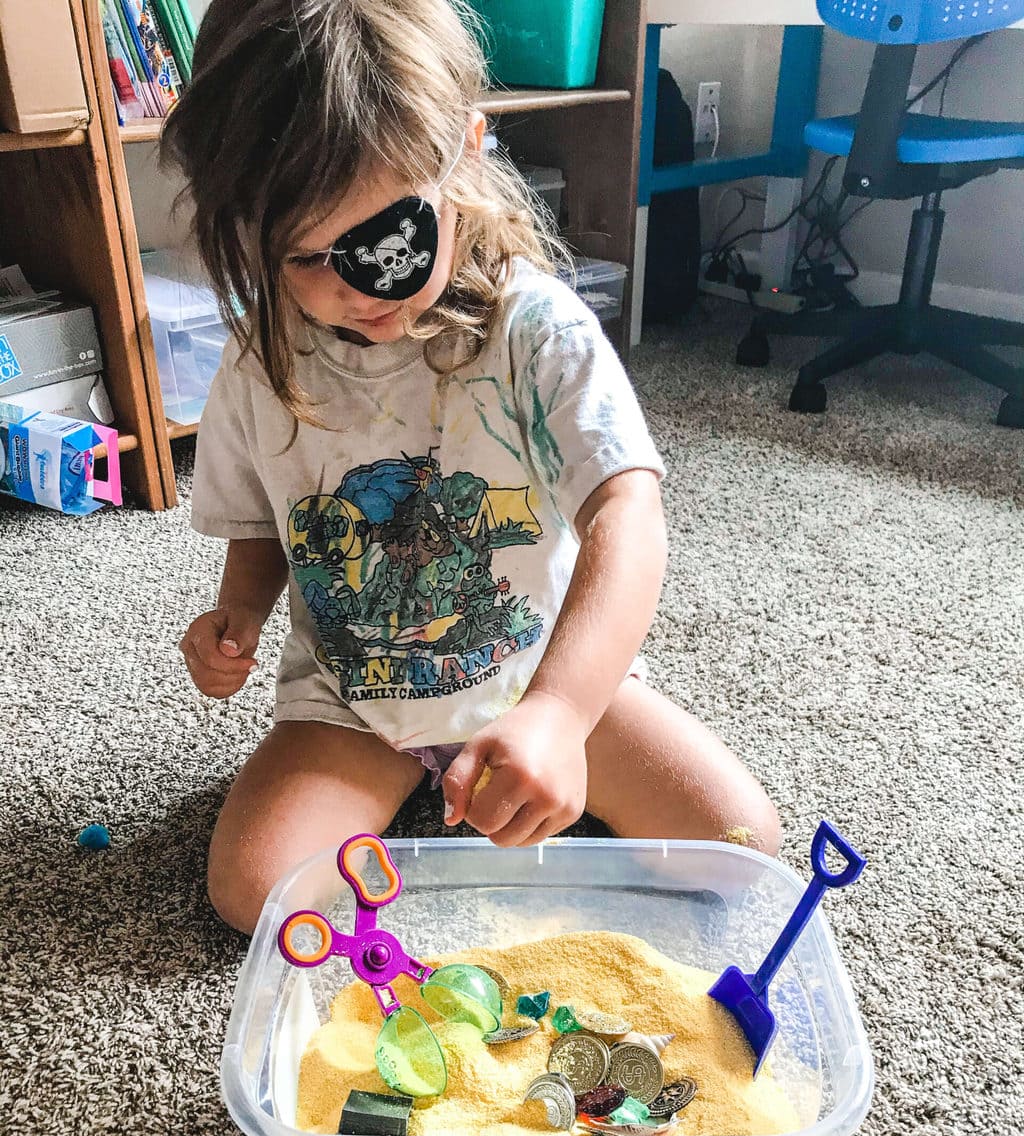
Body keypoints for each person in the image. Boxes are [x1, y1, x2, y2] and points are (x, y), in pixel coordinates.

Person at [163, 0, 779, 934]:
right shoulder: (264, 357)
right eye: (302, 255)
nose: (348, 290)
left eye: (385, 245)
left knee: (741, 848)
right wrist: (240, 610)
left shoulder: (538, 331)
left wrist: (562, 714)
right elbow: (265, 521)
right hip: (354, 702)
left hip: (534, 669)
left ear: (466, 152)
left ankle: (523, 752)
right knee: (255, 892)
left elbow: (629, 512)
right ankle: (426, 790)